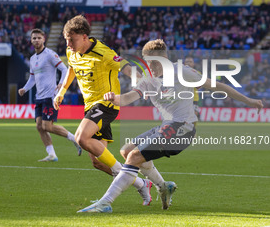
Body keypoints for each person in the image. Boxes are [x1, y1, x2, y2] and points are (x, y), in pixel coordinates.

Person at [78, 39, 263, 213]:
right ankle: (163, 186)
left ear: (164, 58)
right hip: (167, 126)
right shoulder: (148, 79)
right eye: (147, 62)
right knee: (127, 151)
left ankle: (105, 203)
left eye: (153, 62)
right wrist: (114, 98)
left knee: (134, 156)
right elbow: (127, 98)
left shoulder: (182, 72)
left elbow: (217, 86)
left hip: (184, 128)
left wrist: (249, 100)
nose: (150, 67)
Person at [53, 15, 153, 206]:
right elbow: (71, 68)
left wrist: (140, 82)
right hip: (90, 107)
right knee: (97, 162)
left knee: (81, 138)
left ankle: (123, 171)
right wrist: (62, 92)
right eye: (66, 40)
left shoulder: (103, 52)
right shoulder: (71, 51)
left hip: (107, 103)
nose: (69, 44)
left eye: (72, 40)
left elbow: (126, 67)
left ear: (84, 37)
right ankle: (141, 183)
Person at [18, 28, 82, 162]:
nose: (36, 40)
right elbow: (32, 78)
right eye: (34, 38)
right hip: (39, 97)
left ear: (44, 39)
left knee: (47, 126)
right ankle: (52, 154)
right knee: (39, 126)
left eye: (38, 38)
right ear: (31, 40)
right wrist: (25, 89)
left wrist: (60, 84)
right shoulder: (32, 58)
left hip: (50, 96)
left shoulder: (49, 54)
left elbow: (64, 70)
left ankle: (74, 139)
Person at [184, 56, 200, 122]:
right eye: (187, 61)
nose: (189, 63)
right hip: (182, 98)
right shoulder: (179, 73)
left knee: (194, 116)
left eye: (190, 62)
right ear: (184, 63)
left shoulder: (198, 73)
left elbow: (198, 86)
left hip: (194, 98)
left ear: (193, 64)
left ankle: (193, 132)